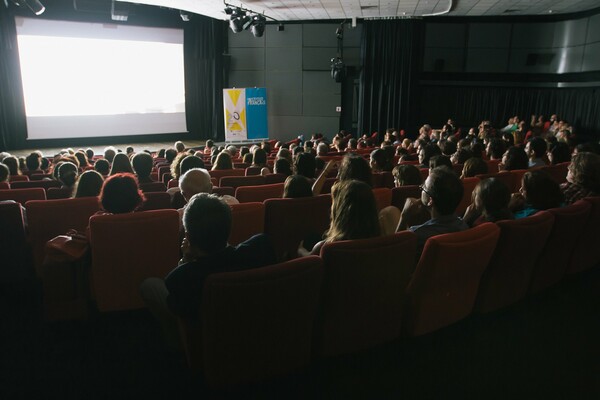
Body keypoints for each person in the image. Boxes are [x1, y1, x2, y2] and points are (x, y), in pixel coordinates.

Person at [140, 193, 276, 347]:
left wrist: (186, 261)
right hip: (256, 336)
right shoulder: (261, 247)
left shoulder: (181, 278)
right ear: (229, 227)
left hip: (208, 345)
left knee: (149, 285)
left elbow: (179, 306)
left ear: (188, 237)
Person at [396, 166, 468, 257]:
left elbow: (395, 254)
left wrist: (404, 216)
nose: (420, 187)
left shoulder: (416, 234)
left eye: (423, 187)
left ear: (430, 201)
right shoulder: (463, 226)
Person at [299, 180, 381, 256]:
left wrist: (300, 249)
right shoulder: (383, 243)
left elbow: (307, 258)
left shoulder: (326, 247)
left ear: (340, 212)